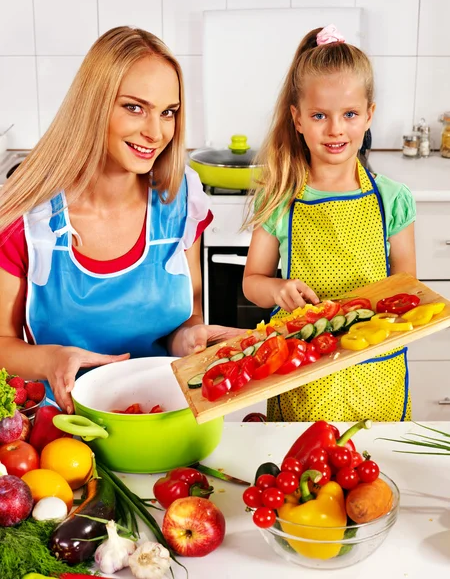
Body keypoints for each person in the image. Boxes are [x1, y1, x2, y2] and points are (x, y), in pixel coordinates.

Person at [0, 26, 242, 414]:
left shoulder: (180, 202)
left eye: (168, 113)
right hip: (60, 434)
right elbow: (2, 342)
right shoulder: (30, 220)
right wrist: (52, 361)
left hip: (161, 415)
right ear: (93, 105)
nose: (155, 131)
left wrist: (190, 338)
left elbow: (186, 315)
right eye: (134, 107)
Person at [243, 25, 416, 423]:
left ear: (369, 115)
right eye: (319, 115)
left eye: (350, 114)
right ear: (298, 119)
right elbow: (252, 282)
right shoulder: (280, 197)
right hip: (305, 367)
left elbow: (408, 289)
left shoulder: (393, 198)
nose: (335, 129)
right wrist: (277, 289)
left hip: (375, 365)